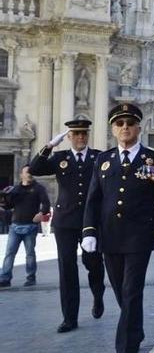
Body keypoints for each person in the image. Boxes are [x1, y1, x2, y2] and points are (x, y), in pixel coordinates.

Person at [81, 103, 154, 353]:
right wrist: (89, 231)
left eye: (130, 123)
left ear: (138, 128)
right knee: (122, 291)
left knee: (132, 290)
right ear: (113, 129)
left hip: (139, 237)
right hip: (109, 236)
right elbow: (93, 199)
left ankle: (126, 346)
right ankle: (136, 328)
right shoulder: (103, 160)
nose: (125, 128)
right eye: (120, 124)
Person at [29, 119, 106, 332]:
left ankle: (98, 294)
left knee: (94, 263)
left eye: (84, 133)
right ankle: (69, 318)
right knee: (67, 268)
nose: (81, 137)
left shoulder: (99, 157)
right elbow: (35, 168)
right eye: (76, 134)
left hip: (90, 220)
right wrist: (49, 146)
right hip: (65, 221)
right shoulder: (59, 157)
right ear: (69, 137)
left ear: (87, 135)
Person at [0, 166, 50, 288]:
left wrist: (42, 213)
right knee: (9, 253)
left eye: (31, 172)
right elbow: (8, 206)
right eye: (27, 172)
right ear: (21, 175)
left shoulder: (38, 188)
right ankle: (5, 278)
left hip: (30, 226)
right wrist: (3, 201)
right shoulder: (15, 189)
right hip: (15, 226)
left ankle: (31, 277)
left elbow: (46, 203)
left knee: (30, 254)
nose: (29, 174)